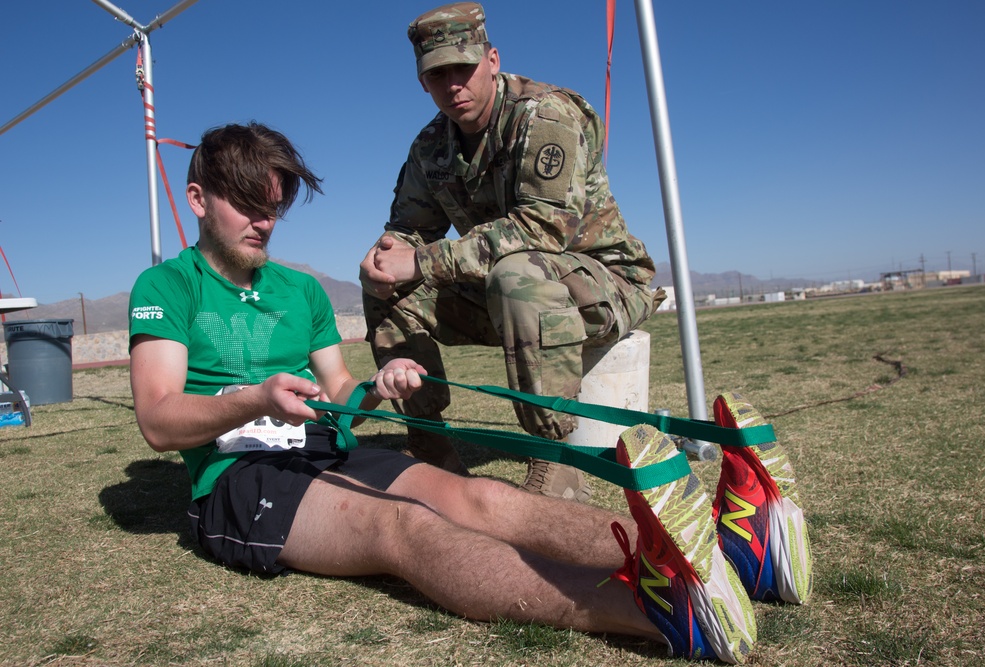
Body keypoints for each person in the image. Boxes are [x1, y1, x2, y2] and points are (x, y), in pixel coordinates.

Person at [127, 121, 782, 664]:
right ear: (197, 199)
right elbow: (159, 420)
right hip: (241, 474)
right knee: (404, 526)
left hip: (328, 450)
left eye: (273, 207)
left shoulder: (300, 290)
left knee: (484, 496)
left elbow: (340, 393)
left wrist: (378, 388)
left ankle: (730, 558)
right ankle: (655, 608)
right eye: (247, 204)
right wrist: (255, 398)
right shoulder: (165, 289)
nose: (264, 223)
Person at [359, 2, 664, 501]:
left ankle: (557, 460)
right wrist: (384, 258)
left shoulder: (547, 114)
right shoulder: (432, 147)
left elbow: (544, 228)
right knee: (391, 286)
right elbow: (408, 231)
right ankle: (432, 447)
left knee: (516, 274)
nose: (453, 83)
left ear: (493, 60)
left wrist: (423, 259)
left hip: (602, 282)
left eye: (464, 66)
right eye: (438, 74)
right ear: (423, 83)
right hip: (505, 290)